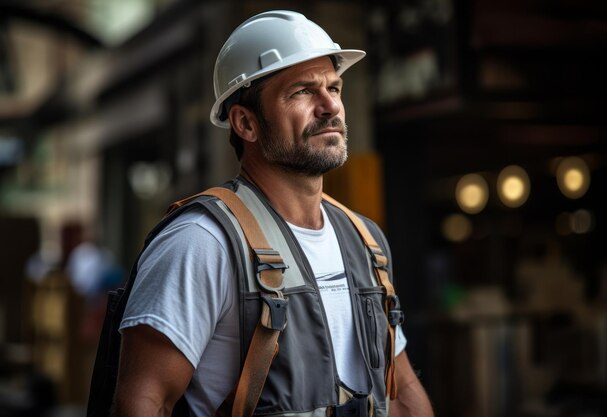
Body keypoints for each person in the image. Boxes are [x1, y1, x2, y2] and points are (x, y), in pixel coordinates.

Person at [113, 9, 434, 417]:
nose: (329, 106)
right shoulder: (200, 242)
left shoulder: (365, 240)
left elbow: (401, 393)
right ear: (246, 123)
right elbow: (144, 402)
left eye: (333, 88)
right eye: (302, 91)